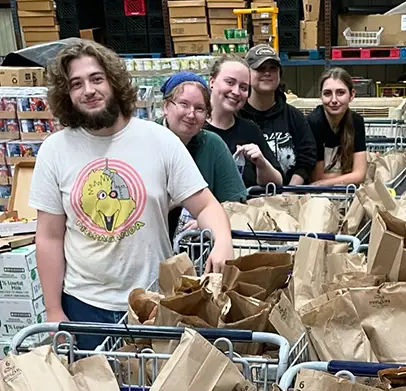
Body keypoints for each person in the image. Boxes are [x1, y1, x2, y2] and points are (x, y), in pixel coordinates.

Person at [28, 40, 234, 349]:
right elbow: (49, 237)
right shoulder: (54, 151)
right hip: (83, 307)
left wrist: (223, 241)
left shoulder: (160, 141)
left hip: (152, 303)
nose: (88, 90)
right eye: (76, 84)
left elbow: (205, 204)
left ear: (113, 81)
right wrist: (54, 309)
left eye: (96, 79)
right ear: (66, 95)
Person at [160, 71, 247, 238]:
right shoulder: (148, 139)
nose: (191, 114)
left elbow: (236, 206)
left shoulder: (212, 145)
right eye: (184, 104)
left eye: (199, 108)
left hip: (197, 248)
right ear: (166, 106)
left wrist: (206, 222)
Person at [240, 45, 316, 185]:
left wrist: (291, 192)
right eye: (260, 68)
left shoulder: (294, 117)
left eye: (273, 68)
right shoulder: (237, 117)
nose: (267, 73)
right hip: (247, 201)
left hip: (291, 198)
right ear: (247, 75)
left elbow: (307, 158)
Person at [204, 54, 284, 188]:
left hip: (246, 208)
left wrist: (261, 163)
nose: (236, 92)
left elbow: (277, 183)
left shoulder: (250, 131)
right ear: (212, 82)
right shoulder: (194, 129)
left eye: (243, 87)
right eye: (230, 82)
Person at [307, 67, 367, 186]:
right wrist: (351, 175)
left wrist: (355, 174)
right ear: (320, 96)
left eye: (340, 93)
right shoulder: (313, 123)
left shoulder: (356, 121)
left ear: (352, 95)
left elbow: (360, 174)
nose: (334, 100)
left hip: (346, 191)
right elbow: (316, 178)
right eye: (327, 93)